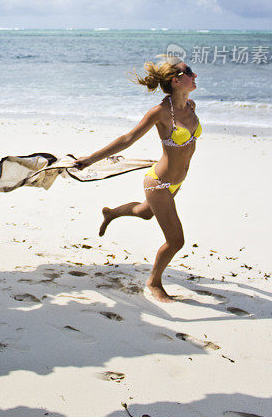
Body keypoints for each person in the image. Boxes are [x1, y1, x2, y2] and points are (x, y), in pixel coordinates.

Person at [74, 58, 200, 303]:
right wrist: (90, 159)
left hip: (176, 182)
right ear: (176, 80)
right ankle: (154, 282)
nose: (195, 75)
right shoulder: (160, 112)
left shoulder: (191, 106)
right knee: (176, 241)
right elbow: (128, 138)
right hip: (159, 183)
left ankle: (111, 213)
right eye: (189, 72)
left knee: (145, 212)